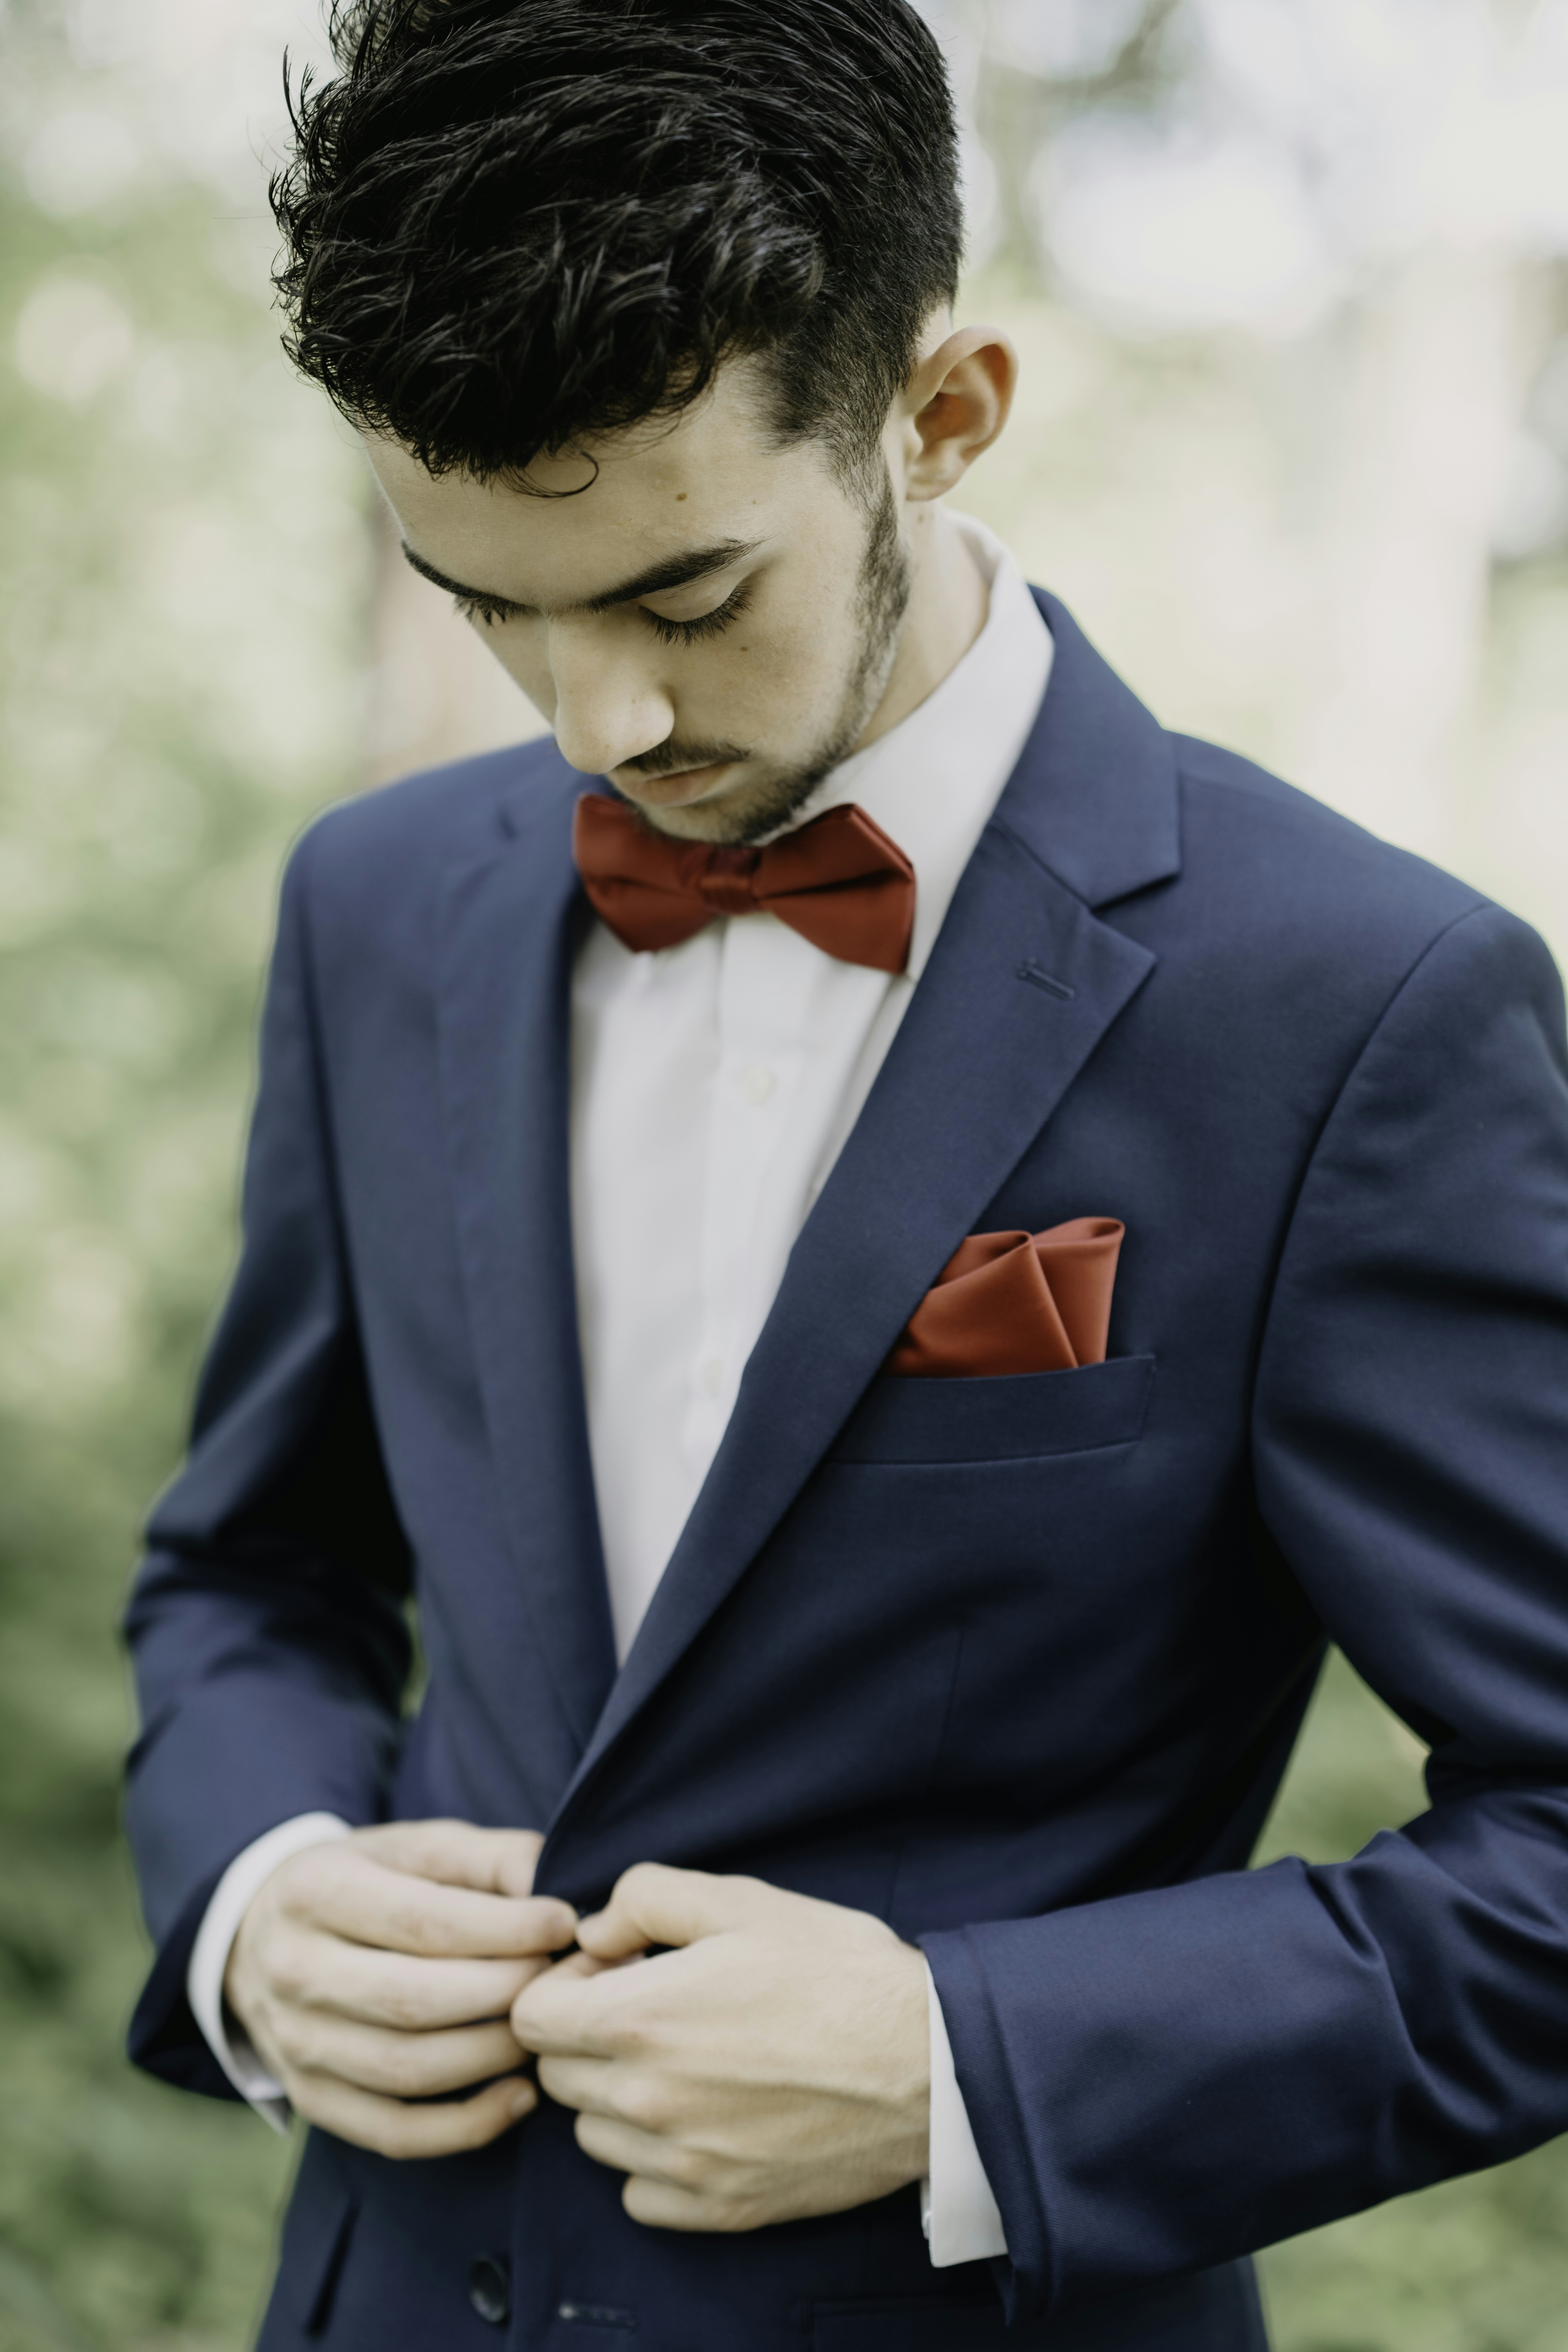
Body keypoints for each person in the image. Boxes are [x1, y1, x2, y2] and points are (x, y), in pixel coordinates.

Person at [122, 3, 1568, 2348]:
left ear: (943, 413)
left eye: (685, 597)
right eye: (488, 597)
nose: (598, 722)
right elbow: (251, 1572)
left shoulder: (1359, 1008)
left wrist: (965, 2064)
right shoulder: (373, 909)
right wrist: (264, 1896)